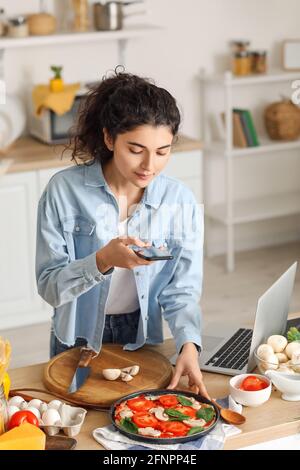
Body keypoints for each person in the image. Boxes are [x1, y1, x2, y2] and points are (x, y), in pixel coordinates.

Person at [35, 67, 208, 398]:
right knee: (78, 424)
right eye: (135, 149)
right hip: (77, 335)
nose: (149, 166)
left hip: (141, 332)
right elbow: (50, 288)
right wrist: (102, 260)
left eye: (162, 151)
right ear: (109, 138)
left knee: (137, 422)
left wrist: (189, 344)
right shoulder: (64, 191)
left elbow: (182, 289)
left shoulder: (180, 200)